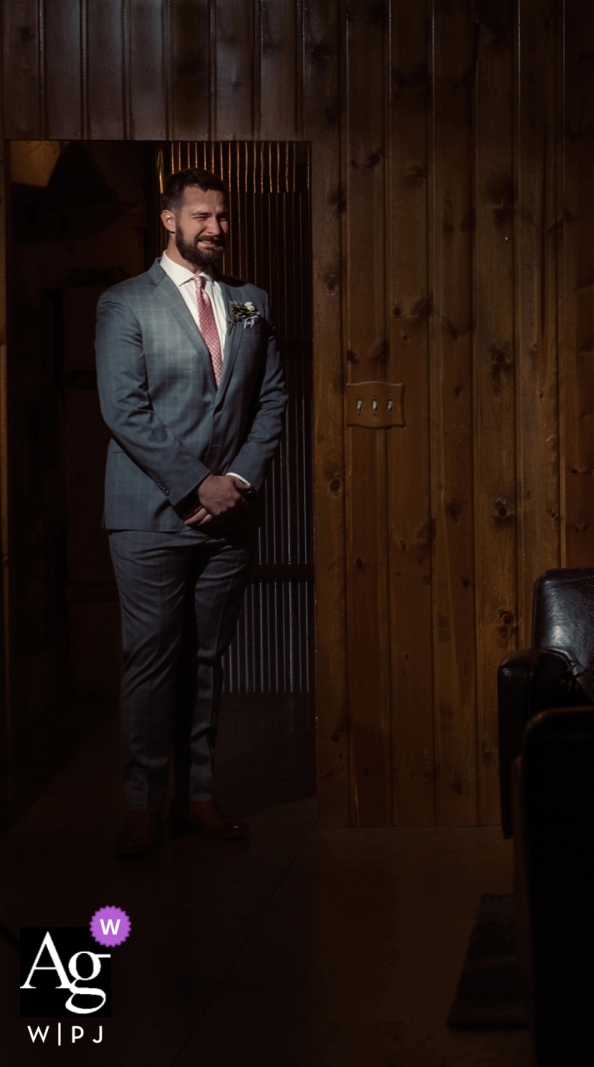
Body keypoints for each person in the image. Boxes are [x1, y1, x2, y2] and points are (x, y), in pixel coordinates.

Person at [96, 168, 286, 856]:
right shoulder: (126, 303)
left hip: (228, 519)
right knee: (151, 662)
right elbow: (124, 409)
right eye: (202, 215)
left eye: (223, 216)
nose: (217, 227)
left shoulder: (248, 302)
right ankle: (143, 806)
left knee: (207, 661)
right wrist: (193, 484)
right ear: (169, 219)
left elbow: (270, 400)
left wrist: (234, 478)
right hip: (148, 517)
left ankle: (196, 797)